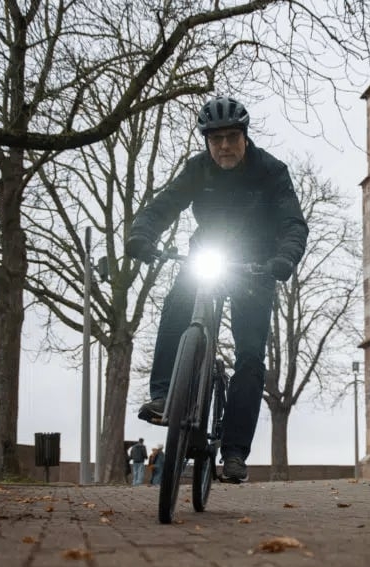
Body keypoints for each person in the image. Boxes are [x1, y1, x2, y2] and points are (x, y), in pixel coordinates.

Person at [125, 96, 308, 484]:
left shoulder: (272, 172)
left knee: (249, 356)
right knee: (177, 302)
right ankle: (163, 395)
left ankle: (236, 451)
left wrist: (284, 258)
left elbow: (293, 222)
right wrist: (142, 234)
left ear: (244, 136)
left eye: (231, 137)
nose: (224, 146)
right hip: (207, 256)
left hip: (255, 268)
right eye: (216, 139)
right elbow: (163, 206)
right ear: (206, 142)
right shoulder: (198, 169)